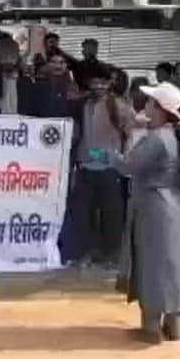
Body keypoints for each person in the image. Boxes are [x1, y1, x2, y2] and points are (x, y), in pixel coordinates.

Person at [107, 82, 180, 344]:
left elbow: (127, 166)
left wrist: (112, 151)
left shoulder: (157, 138)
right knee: (174, 265)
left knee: (151, 265)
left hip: (155, 207)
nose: (144, 105)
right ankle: (174, 326)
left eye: (149, 102)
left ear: (159, 109)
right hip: (177, 206)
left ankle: (150, 328)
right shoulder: (177, 134)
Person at [66, 66, 135, 267]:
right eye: (94, 82)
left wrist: (122, 158)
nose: (98, 86)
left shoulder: (119, 106)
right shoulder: (84, 105)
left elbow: (130, 133)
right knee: (84, 214)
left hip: (109, 168)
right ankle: (86, 253)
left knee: (111, 214)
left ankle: (111, 255)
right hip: (86, 166)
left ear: (109, 84)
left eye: (102, 83)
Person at [29, 52, 79, 119]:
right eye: (54, 62)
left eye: (62, 62)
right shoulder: (38, 83)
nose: (58, 65)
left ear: (66, 65)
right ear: (47, 64)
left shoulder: (71, 84)